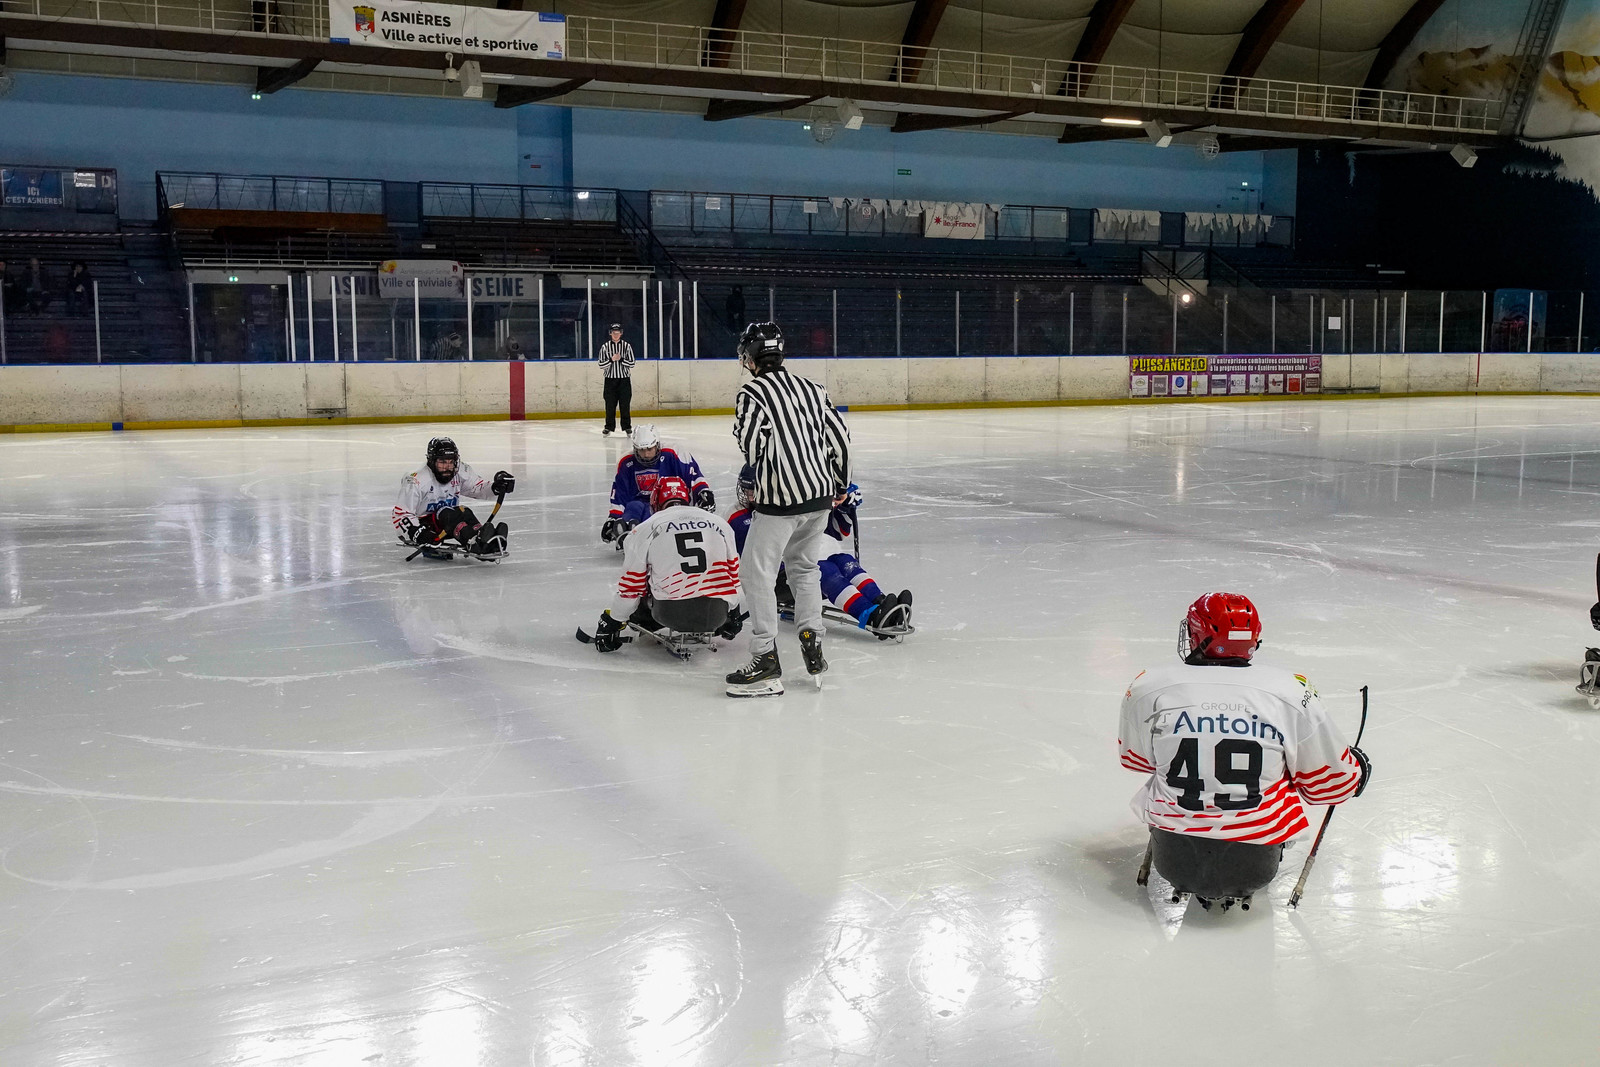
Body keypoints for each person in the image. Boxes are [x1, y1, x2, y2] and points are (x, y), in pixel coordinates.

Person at [1118, 593, 1372, 907]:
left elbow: (1136, 760)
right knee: (1285, 769)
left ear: (1197, 634)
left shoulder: (1148, 686)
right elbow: (1329, 786)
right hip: (1255, 862)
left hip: (1174, 857)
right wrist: (1355, 769)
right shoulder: (1292, 691)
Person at [725, 322, 851, 697]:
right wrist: (840, 484)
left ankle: (765, 657)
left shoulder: (752, 392)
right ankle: (812, 640)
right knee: (804, 568)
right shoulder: (813, 389)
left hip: (781, 500)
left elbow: (750, 447)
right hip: (820, 497)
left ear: (749, 357)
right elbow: (840, 439)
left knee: (755, 573)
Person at [727, 465, 911, 635]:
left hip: (795, 574)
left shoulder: (789, 505)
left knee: (843, 560)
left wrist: (844, 507)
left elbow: (837, 531)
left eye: (755, 490)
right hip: (770, 585)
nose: (750, 497)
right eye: (747, 490)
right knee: (823, 571)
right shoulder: (736, 516)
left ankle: (883, 604)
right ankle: (871, 616)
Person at [591, 476, 743, 652]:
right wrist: (732, 613)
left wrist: (612, 623)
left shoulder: (645, 529)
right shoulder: (720, 524)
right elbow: (735, 575)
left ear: (655, 502)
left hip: (669, 614)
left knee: (644, 582)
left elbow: (631, 587)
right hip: (716, 614)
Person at [392, 437, 515, 557]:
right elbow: (401, 513)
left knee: (464, 512)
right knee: (446, 512)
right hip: (425, 528)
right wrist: (417, 533)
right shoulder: (416, 480)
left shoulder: (459, 470)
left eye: (451, 462)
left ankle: (483, 538)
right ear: (431, 461)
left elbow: (476, 487)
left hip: (450, 523)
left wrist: (496, 487)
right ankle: (473, 542)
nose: (448, 467)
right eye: (442, 462)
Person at [601, 423, 713, 545]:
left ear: (657, 444)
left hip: (671, 504)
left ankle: (648, 533)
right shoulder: (626, 462)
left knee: (669, 496)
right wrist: (613, 517)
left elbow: (693, 475)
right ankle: (631, 532)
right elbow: (620, 493)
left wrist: (703, 491)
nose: (646, 454)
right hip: (643, 505)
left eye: (649, 449)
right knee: (634, 506)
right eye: (641, 450)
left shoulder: (674, 452)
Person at [598, 322, 634, 436]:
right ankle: (608, 427)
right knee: (610, 404)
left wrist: (621, 359)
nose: (616, 335)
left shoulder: (627, 346)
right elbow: (601, 365)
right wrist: (611, 360)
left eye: (618, 333)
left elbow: (632, 363)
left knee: (625, 404)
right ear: (610, 333)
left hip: (624, 380)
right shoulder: (605, 347)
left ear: (621, 333)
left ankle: (627, 427)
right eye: (614, 333)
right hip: (610, 380)